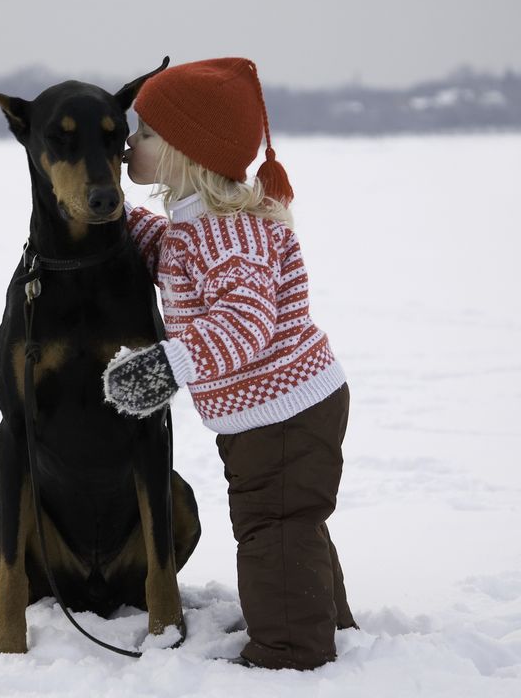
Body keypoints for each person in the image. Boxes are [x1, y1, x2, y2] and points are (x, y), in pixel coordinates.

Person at [102, 57, 356, 670]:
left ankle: (291, 651)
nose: (131, 141)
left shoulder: (227, 233)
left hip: (286, 412)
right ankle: (323, 618)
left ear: (187, 152)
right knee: (292, 521)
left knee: (275, 526)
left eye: (147, 133)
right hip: (273, 411)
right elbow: (167, 251)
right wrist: (109, 216)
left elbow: (244, 323)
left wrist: (165, 368)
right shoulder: (199, 225)